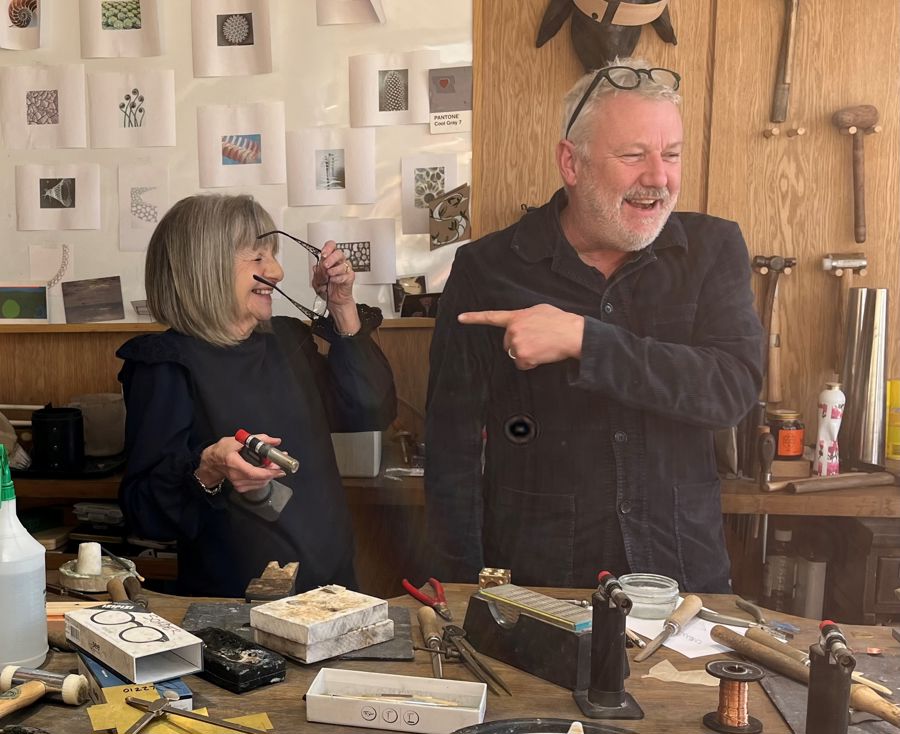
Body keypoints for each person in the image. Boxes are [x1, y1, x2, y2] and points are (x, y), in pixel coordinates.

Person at [425, 58, 763, 593]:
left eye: (671, 155)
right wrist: (461, 587)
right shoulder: (487, 269)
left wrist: (585, 341)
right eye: (633, 155)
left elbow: (730, 390)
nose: (658, 178)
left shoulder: (713, 250)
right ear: (571, 162)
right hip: (542, 583)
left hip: (681, 581)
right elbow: (452, 449)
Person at [117, 194, 396, 597]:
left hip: (332, 586)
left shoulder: (287, 340)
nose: (278, 271)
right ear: (205, 266)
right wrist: (209, 467)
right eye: (258, 258)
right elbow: (145, 514)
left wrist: (342, 306)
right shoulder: (167, 365)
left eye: (274, 255)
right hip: (237, 604)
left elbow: (370, 409)